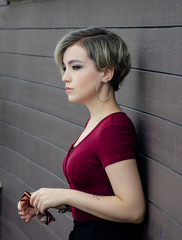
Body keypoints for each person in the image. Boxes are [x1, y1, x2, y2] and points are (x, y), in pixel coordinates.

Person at [18, 27, 145, 239]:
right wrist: (57, 201)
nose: (65, 78)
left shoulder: (112, 128)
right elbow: (103, 196)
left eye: (76, 67)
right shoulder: (96, 124)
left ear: (106, 73)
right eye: (64, 68)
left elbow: (133, 210)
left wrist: (67, 194)